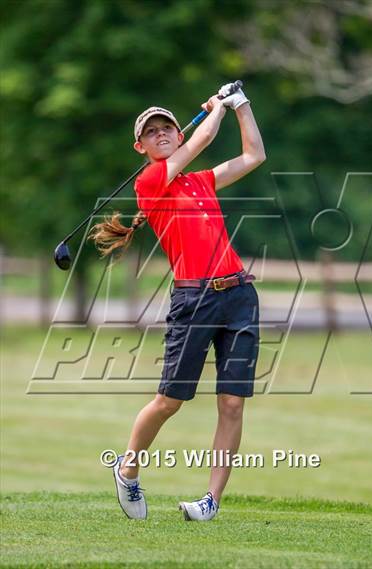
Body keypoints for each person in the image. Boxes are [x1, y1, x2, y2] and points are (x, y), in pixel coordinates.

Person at [90, 83, 266, 521]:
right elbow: (204, 138)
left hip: (239, 295)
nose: (162, 133)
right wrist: (219, 107)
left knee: (232, 403)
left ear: (176, 132)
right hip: (195, 300)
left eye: (167, 126)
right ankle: (128, 468)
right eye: (152, 132)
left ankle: (211, 502)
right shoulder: (151, 182)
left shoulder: (201, 181)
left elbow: (253, 157)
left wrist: (241, 107)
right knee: (170, 400)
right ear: (141, 146)